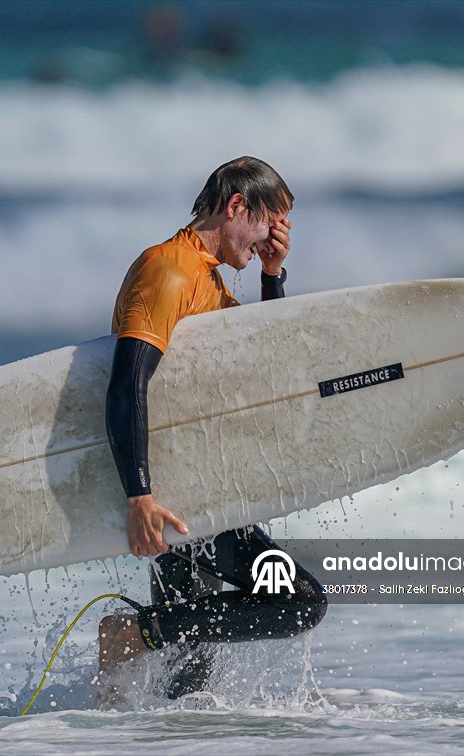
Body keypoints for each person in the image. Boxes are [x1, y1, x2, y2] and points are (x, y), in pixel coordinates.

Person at [100, 156, 328, 699]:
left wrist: (272, 275)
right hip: (175, 497)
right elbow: (127, 384)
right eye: (270, 221)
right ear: (236, 207)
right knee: (299, 601)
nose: (276, 236)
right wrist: (139, 496)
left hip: (194, 490)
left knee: (188, 686)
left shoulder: (206, 279)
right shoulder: (168, 271)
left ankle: (130, 672)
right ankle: (130, 633)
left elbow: (265, 362)